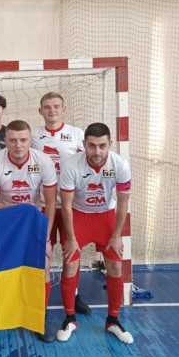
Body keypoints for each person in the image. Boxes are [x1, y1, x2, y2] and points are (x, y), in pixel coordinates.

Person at [57, 122, 133, 344]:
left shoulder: (120, 165)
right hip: (79, 216)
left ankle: (113, 321)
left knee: (115, 266)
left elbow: (123, 204)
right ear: (84, 144)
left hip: (106, 217)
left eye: (102, 146)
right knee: (70, 264)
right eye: (92, 146)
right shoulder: (71, 165)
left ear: (110, 144)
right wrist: (71, 238)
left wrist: (117, 235)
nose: (97, 151)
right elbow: (66, 206)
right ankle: (70, 319)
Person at [0, 120, 57, 342]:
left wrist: (46, 237)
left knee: (43, 266)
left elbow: (50, 203)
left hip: (33, 221)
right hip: (4, 220)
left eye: (23, 140)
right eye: (13, 140)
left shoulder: (43, 161)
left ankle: (40, 316)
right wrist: (21, 210)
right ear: (5, 140)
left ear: (30, 140)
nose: (18, 145)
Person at [31, 92, 91, 316]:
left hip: (70, 206)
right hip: (42, 205)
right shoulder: (33, 135)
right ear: (40, 111)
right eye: (47, 107)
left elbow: (88, 165)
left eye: (56, 106)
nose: (52, 110)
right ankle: (38, 300)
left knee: (71, 252)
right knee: (42, 253)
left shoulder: (77, 134)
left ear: (64, 109)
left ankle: (74, 295)